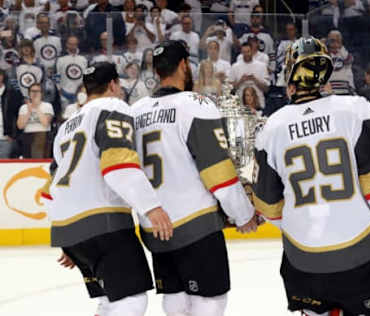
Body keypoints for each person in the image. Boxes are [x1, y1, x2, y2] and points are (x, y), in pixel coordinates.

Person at [252, 36, 370, 316]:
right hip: (360, 260)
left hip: (304, 266)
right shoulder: (354, 109)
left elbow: (268, 206)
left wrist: (303, 221)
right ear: (325, 74)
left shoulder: (271, 128)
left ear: (290, 81)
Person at [132, 40, 257, 316]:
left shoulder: (136, 111)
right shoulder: (194, 104)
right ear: (183, 66)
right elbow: (219, 174)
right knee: (210, 302)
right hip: (195, 226)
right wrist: (243, 213)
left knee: (175, 300)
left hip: (155, 228)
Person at [41, 62, 172, 316]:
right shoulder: (112, 106)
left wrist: (67, 238)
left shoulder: (66, 126)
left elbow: (50, 188)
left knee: (110, 301)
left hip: (68, 229)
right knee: (130, 301)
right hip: (103, 222)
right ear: (113, 85)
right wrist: (151, 207)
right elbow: (118, 165)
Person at [16, 83, 54, 158]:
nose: (35, 93)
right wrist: (29, 111)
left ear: (41, 93)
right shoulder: (24, 107)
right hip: (27, 136)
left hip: (42, 135)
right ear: (29, 93)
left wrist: (36, 107)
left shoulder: (47, 106)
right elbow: (20, 126)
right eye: (32, 91)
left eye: (37, 91)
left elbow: (45, 123)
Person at [230, 42, 269, 109]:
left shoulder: (262, 66)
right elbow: (230, 90)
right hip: (240, 105)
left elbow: (266, 89)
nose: (246, 54)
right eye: (244, 52)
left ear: (252, 51)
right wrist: (241, 81)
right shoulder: (235, 67)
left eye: (248, 51)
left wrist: (255, 80)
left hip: (259, 104)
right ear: (241, 53)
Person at [56, 35, 88, 108]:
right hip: (65, 93)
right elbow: (56, 76)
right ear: (67, 44)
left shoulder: (83, 59)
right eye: (70, 44)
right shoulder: (60, 59)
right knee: (66, 116)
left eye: (75, 44)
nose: (73, 46)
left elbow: (87, 76)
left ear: (77, 44)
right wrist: (59, 90)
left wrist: (83, 89)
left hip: (80, 93)